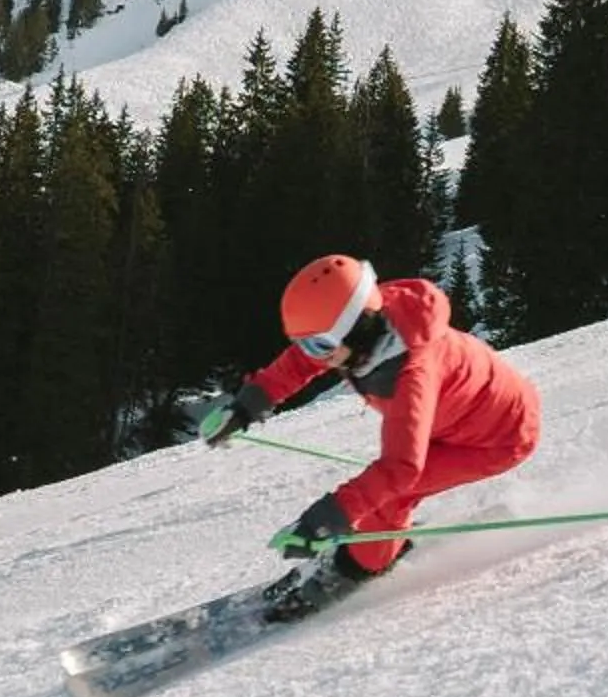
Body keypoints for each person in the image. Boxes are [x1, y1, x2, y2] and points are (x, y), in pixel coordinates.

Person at [200, 253, 542, 621]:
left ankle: (354, 569)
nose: (315, 355)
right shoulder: (367, 327)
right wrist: (248, 405)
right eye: (306, 343)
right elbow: (301, 362)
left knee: (394, 494)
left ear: (357, 329)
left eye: (318, 345)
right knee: (383, 490)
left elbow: (401, 468)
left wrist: (327, 518)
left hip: (497, 437)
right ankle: (379, 541)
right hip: (455, 419)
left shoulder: (412, 376)